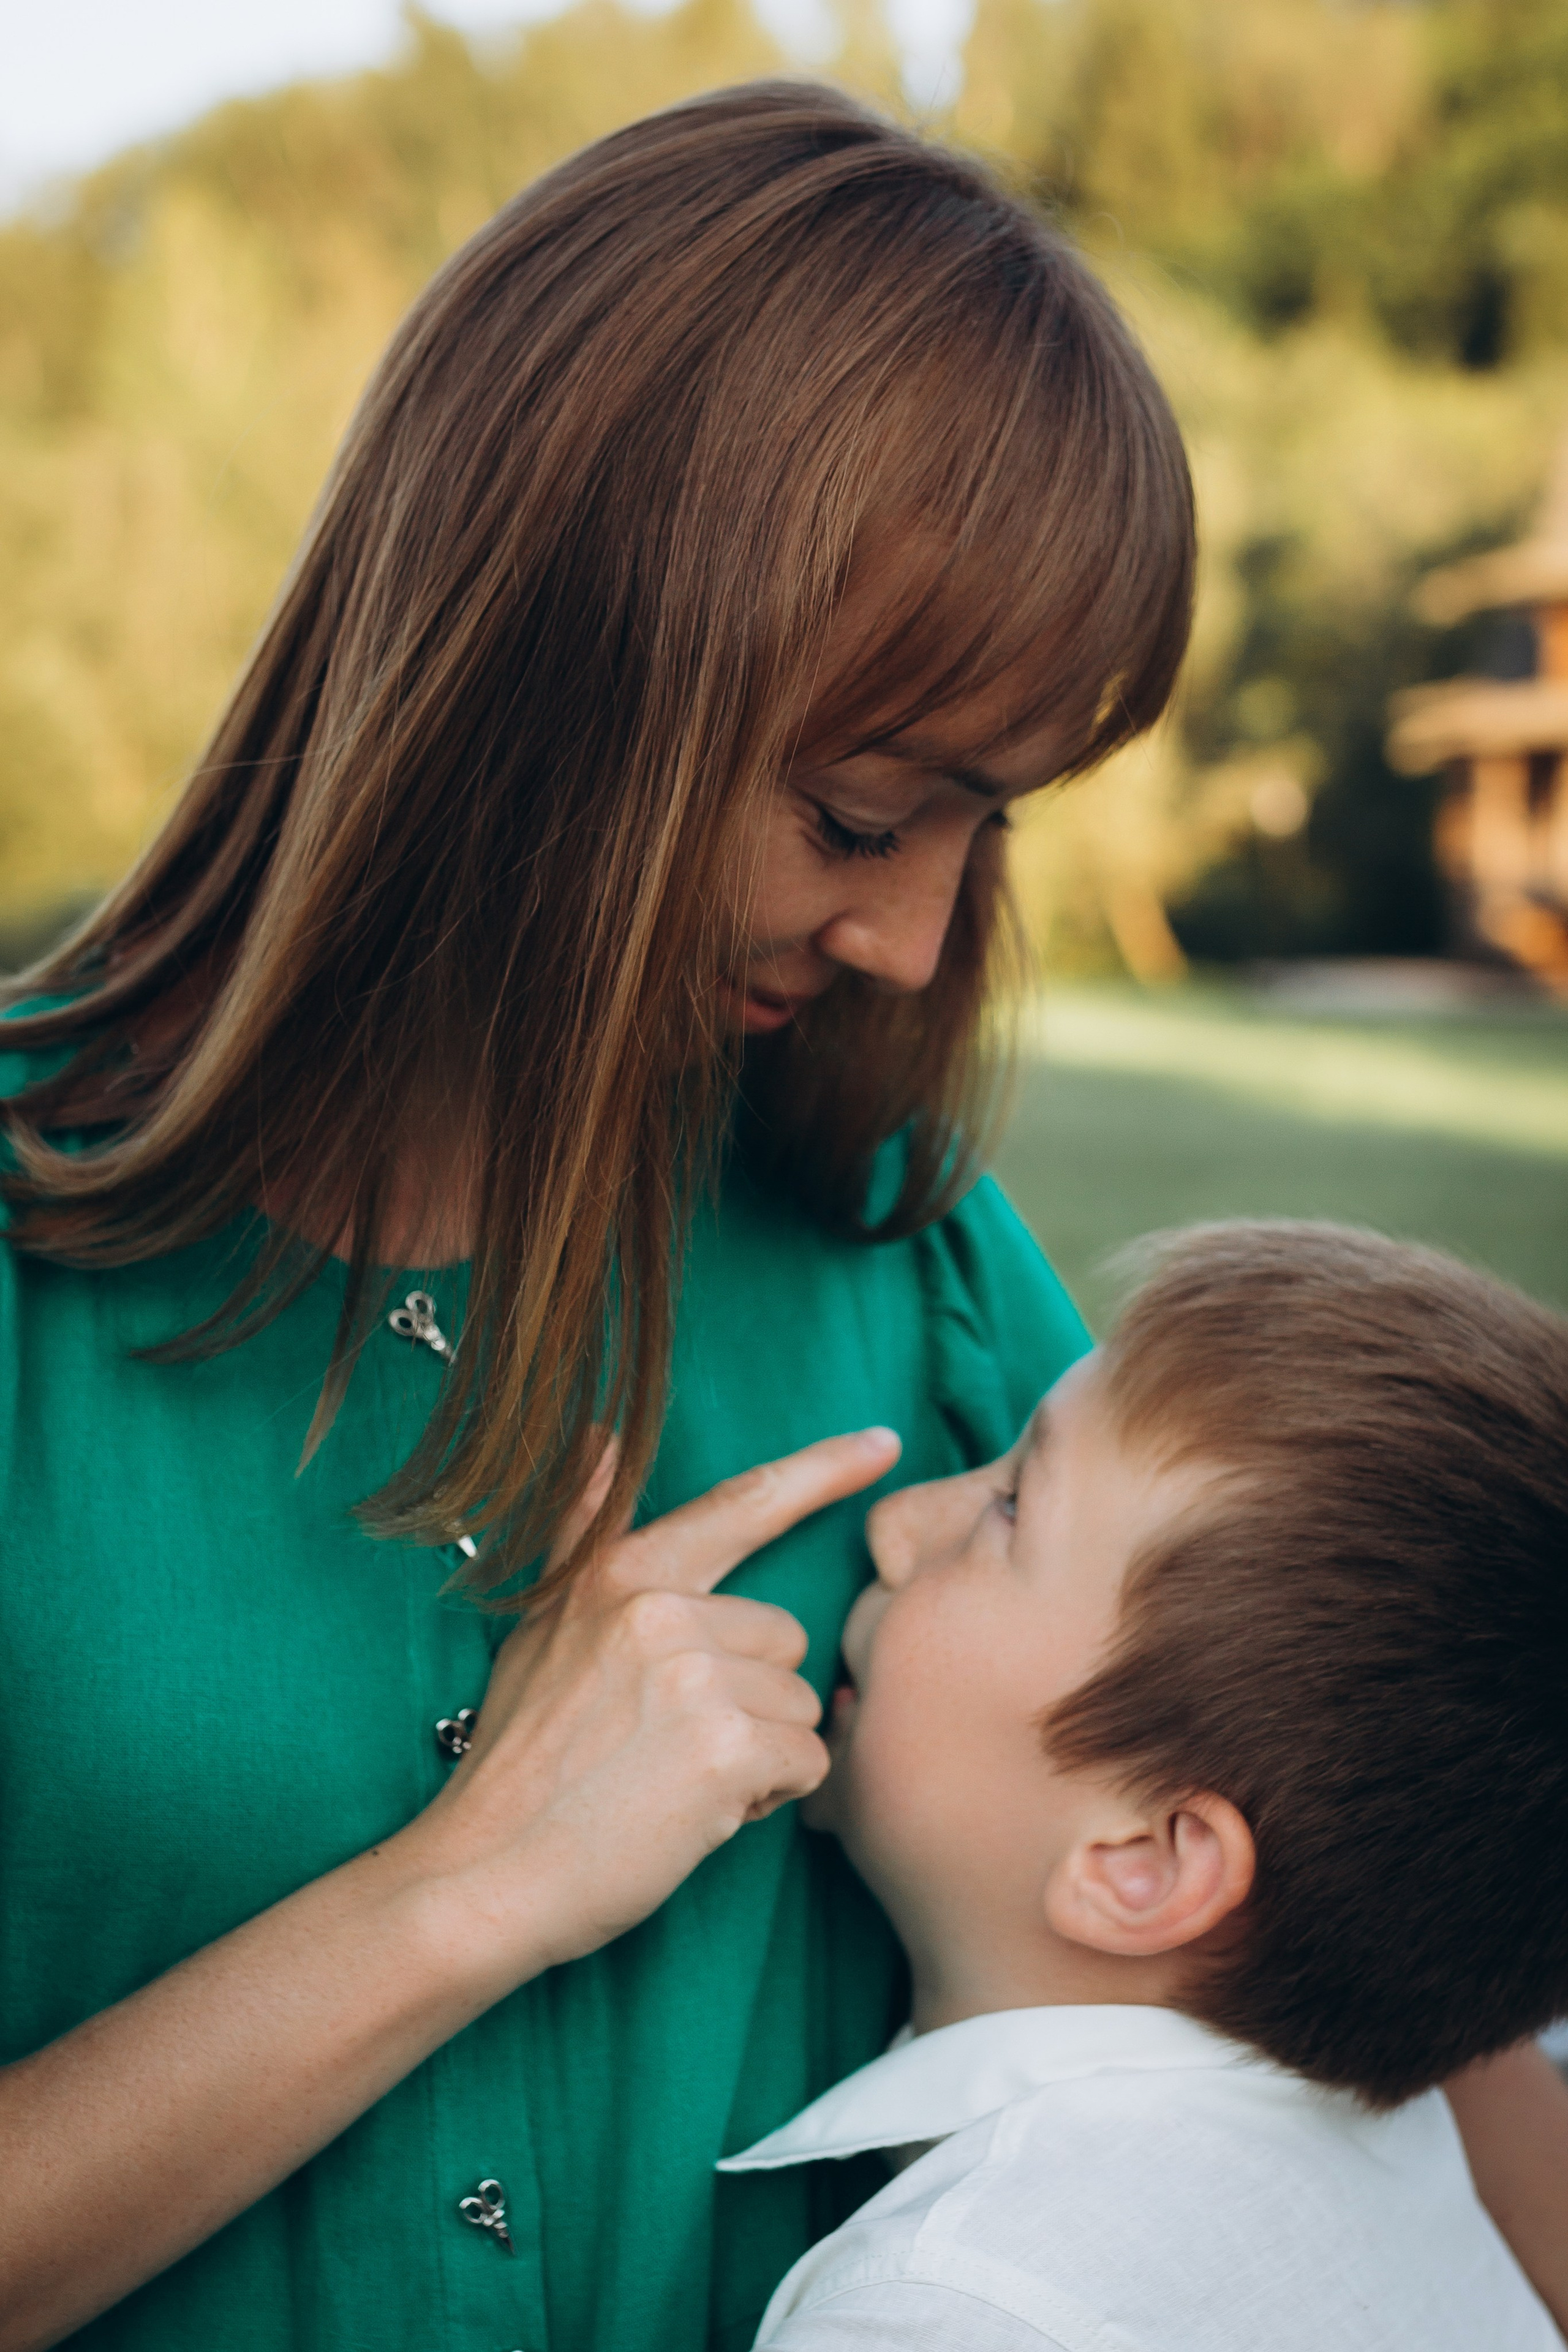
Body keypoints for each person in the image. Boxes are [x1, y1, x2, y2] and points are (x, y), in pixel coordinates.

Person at [0, 82, 1193, 2352]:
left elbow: (1362, 1931)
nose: (919, 944)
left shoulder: (906, 1257)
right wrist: (465, 1896)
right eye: (857, 814)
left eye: (982, 829)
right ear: (555, 672)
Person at [722, 1221, 1568, 2348]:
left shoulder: (952, 2309)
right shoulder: (1423, 2155)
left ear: (1143, 1862)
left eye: (1011, 1507)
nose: (895, 1524)